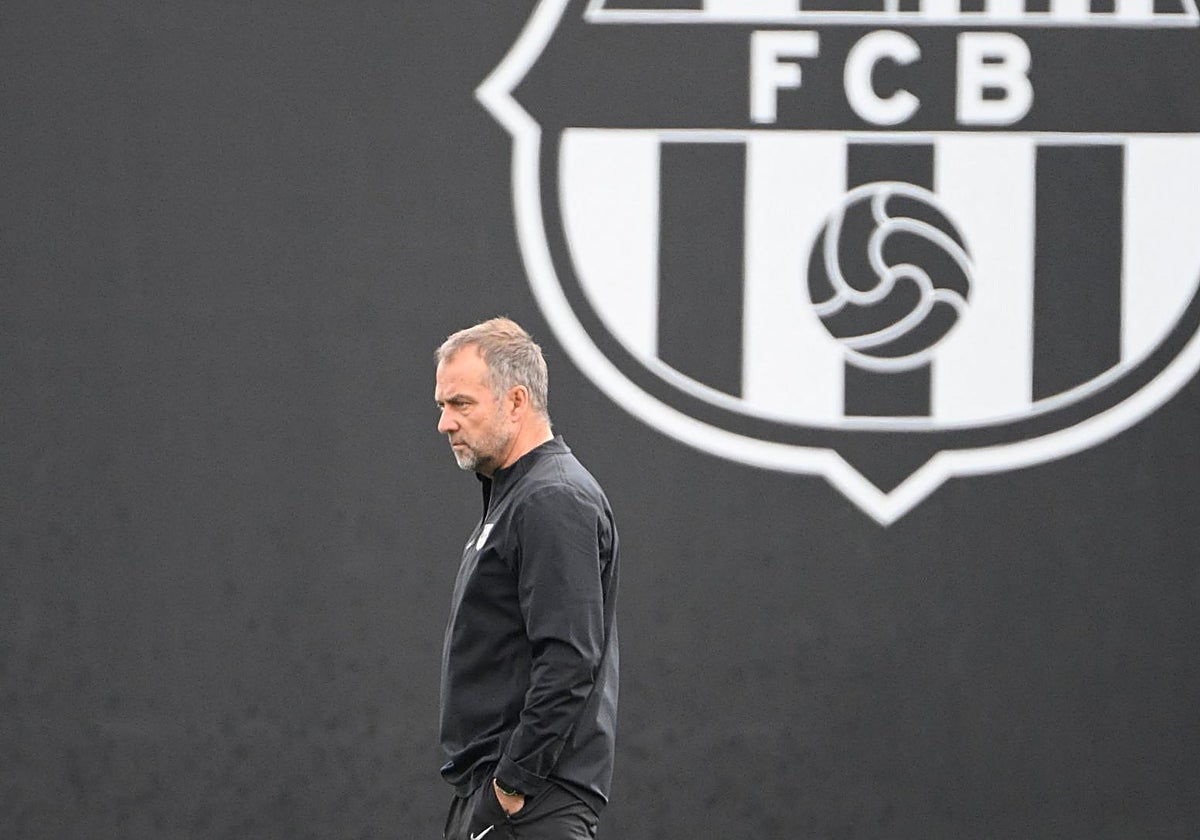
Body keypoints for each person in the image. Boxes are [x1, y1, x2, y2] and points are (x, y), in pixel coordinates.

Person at [433, 317, 619, 840]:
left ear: (516, 401)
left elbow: (569, 661)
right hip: (505, 800)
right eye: (441, 405)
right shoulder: (518, 494)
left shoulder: (551, 498)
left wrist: (510, 788)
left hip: (530, 806)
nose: (445, 423)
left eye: (461, 404)